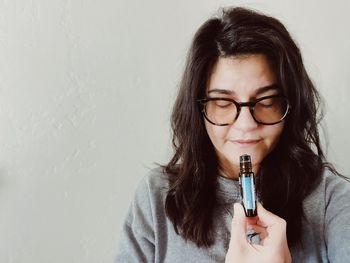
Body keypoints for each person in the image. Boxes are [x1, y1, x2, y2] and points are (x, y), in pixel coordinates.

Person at [116, 7, 350, 263]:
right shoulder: (156, 196)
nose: (246, 124)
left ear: (290, 105)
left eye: (267, 100)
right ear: (197, 108)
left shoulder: (330, 199)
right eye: (224, 103)